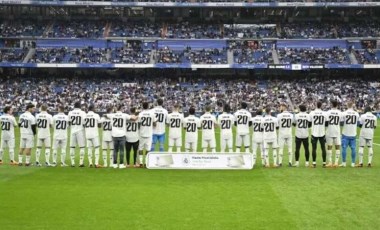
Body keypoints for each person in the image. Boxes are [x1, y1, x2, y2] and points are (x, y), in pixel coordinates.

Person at [109, 104, 134, 169]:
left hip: (114, 134)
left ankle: (114, 164)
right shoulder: (124, 115)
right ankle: (121, 164)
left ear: (116, 109)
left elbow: (105, 115)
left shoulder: (112, 115)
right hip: (122, 134)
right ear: (121, 109)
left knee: (115, 150)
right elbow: (133, 118)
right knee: (122, 150)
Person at [138, 102, 157, 167]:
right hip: (149, 133)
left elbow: (138, 124)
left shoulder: (140, 114)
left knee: (140, 148)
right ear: (148, 106)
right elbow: (154, 124)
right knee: (148, 149)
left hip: (142, 133)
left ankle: (140, 163)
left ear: (143, 106)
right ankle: (146, 163)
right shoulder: (152, 114)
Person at [341, 101, 360, 167]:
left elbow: (341, 123)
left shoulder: (344, 113)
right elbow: (358, 124)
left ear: (347, 105)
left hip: (345, 133)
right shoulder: (356, 114)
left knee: (344, 148)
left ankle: (344, 163)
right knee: (353, 149)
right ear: (352, 106)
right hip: (353, 133)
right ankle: (353, 163)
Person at [68, 102, 87, 167]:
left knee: (72, 147)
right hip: (80, 130)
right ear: (80, 106)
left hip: (73, 131)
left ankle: (72, 163)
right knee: (82, 147)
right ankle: (81, 162)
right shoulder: (83, 113)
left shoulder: (70, 113)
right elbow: (85, 122)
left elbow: (69, 122)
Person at [310, 101, 328, 168]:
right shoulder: (324, 113)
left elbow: (309, 123)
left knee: (314, 148)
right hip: (322, 133)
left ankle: (314, 163)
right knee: (323, 148)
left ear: (315, 105)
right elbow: (326, 124)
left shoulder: (312, 113)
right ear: (321, 105)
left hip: (314, 132)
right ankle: (324, 163)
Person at [325, 100, 343, 167]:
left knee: (329, 147)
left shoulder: (328, 112)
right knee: (337, 147)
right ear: (337, 105)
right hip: (337, 131)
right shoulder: (340, 113)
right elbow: (341, 123)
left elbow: (326, 123)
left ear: (331, 105)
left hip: (329, 131)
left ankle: (330, 162)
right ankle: (336, 162)